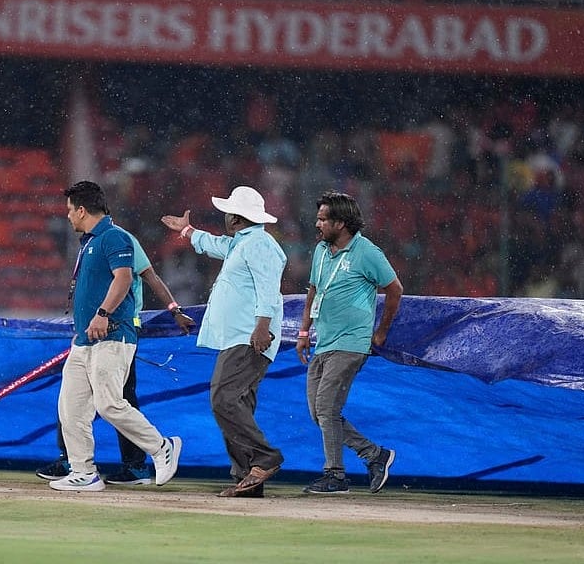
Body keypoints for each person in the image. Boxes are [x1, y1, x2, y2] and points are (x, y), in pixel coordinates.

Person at [35, 219, 195, 485]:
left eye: (72, 210)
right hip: (92, 333)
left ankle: (144, 458)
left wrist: (174, 309)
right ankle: (83, 468)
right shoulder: (91, 242)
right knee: (79, 403)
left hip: (118, 328)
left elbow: (148, 276)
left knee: (113, 401)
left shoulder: (120, 238)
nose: (69, 216)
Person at [160, 186, 286, 498]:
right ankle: (247, 476)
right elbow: (215, 245)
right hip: (241, 335)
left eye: (228, 212)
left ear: (236, 217)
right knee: (237, 402)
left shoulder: (260, 245)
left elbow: (269, 290)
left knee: (224, 399)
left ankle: (264, 458)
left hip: (249, 336)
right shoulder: (244, 243)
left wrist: (261, 327)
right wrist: (188, 231)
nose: (226, 217)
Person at [295, 191, 403, 494]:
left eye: (322, 219)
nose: (317, 224)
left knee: (326, 409)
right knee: (318, 413)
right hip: (323, 342)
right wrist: (304, 333)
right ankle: (374, 455)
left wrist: (380, 332)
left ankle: (335, 475)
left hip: (351, 343)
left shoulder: (367, 253)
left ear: (341, 223)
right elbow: (313, 291)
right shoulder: (320, 250)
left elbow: (394, 289)